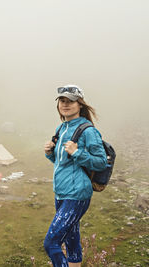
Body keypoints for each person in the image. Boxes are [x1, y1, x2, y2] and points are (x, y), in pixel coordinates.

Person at [43, 85, 107, 267]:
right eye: (62, 101)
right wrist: (50, 153)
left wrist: (78, 152)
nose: (65, 104)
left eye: (70, 101)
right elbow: (62, 163)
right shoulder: (61, 128)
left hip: (77, 194)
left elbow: (101, 162)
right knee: (71, 238)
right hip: (61, 193)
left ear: (80, 105)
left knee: (51, 243)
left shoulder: (88, 131)